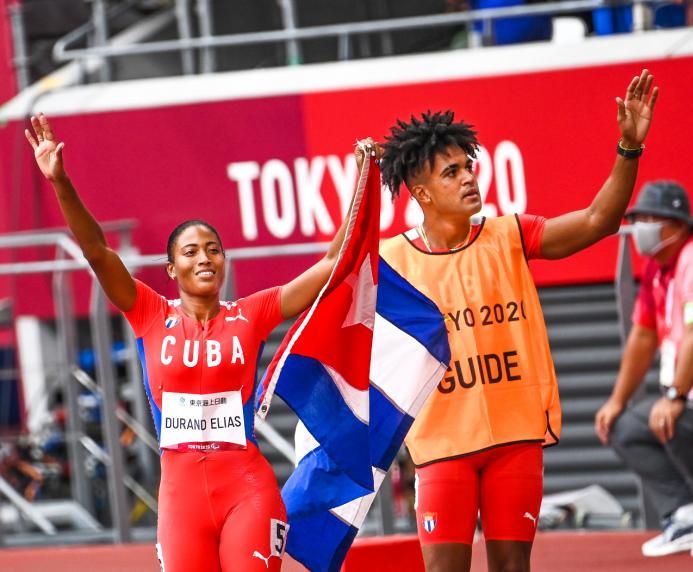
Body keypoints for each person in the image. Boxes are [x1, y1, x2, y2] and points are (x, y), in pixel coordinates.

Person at [24, 113, 365, 572]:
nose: (204, 257)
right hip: (181, 501)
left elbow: (332, 263)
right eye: (190, 251)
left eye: (213, 249)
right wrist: (60, 181)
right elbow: (97, 252)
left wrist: (364, 184)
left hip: (247, 490)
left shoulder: (254, 312)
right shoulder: (148, 311)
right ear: (171, 270)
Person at [357, 68, 658, 572]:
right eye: (450, 172)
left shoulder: (510, 234)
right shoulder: (391, 261)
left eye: (467, 166)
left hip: (514, 439)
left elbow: (597, 221)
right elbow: (332, 277)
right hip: (442, 444)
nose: (468, 176)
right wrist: (360, 194)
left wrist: (628, 149)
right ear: (422, 193)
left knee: (512, 568)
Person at [595, 180, 693, 558]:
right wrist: (616, 400)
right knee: (624, 427)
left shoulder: (692, 257)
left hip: (686, 398)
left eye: (653, 218)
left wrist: (674, 396)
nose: (643, 228)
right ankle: (686, 515)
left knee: (673, 420)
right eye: (639, 219)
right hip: (686, 397)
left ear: (680, 224)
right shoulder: (656, 269)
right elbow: (642, 337)